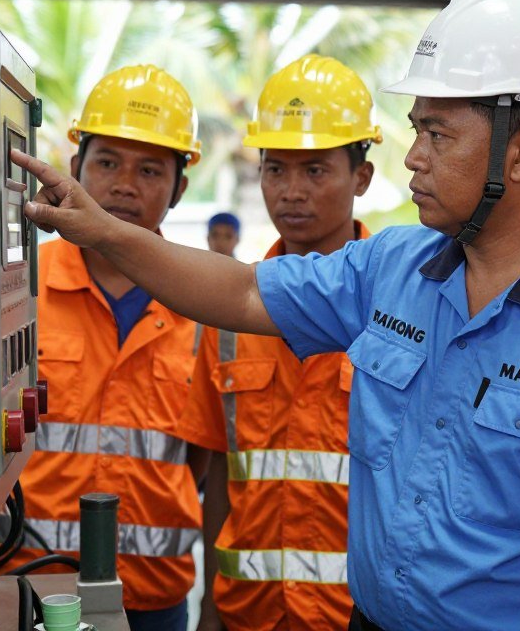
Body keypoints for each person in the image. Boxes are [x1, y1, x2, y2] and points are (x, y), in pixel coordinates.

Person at [11, 0, 520, 631]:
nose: (415, 158)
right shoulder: (392, 270)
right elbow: (244, 290)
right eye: (417, 130)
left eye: (438, 134)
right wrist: (102, 230)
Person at [181, 54, 378, 630]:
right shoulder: (225, 320)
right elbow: (219, 472)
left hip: (359, 616)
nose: (291, 192)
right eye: (276, 170)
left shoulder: (398, 311)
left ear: (360, 177)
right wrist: (212, 606)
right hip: (250, 613)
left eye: (315, 171)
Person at [16, 64, 203, 631]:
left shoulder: (205, 304)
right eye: (107, 162)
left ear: (179, 187)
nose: (125, 184)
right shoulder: (20, 291)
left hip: (155, 597)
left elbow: (210, 466)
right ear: (75, 169)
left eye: (149, 169)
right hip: (28, 583)